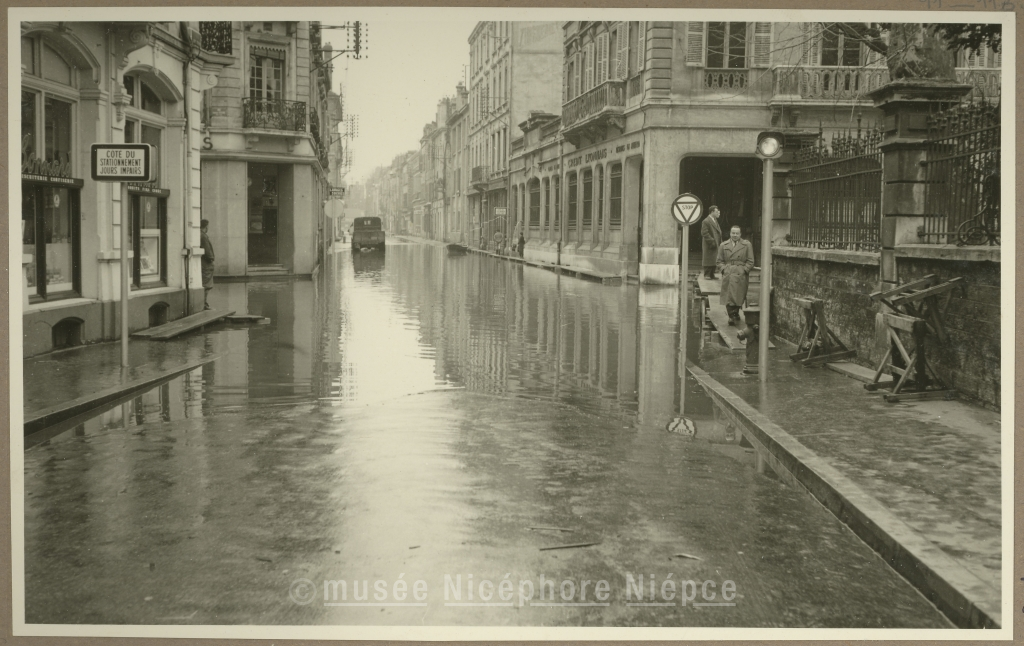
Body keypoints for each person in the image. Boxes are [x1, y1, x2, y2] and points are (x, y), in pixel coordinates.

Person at [716, 225, 755, 325]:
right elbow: (719, 261)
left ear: (740, 234)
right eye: (733, 233)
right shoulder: (723, 245)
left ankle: (736, 312)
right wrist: (724, 269)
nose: (735, 235)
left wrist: (744, 270)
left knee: (739, 294)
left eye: (737, 233)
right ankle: (731, 316)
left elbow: (751, 261)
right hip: (728, 273)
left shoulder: (747, 245)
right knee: (728, 295)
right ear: (730, 233)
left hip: (740, 273)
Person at [700, 205, 722, 279]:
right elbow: (704, 233)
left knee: (714, 259)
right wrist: (712, 241)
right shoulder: (706, 221)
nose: (718, 213)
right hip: (710, 244)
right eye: (716, 212)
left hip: (715, 243)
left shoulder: (714, 220)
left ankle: (711, 274)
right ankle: (707, 274)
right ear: (712, 212)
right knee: (708, 259)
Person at [200, 219, 215, 310]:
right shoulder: (203, 236)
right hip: (206, 264)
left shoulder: (200, 235)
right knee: (206, 284)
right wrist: (211, 259)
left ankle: (204, 303)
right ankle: (204, 304)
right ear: (206, 227)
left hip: (203, 263)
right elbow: (208, 251)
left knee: (205, 283)